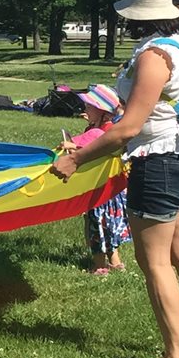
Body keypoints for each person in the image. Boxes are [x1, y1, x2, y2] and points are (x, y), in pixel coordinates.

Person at [51, 0, 179, 358]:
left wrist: (76, 159)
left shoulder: (154, 55)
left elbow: (129, 128)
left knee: (155, 261)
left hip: (161, 164)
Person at [58, 84, 129, 275]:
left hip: (100, 190)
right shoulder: (104, 128)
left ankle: (99, 266)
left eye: (90, 107)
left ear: (102, 111)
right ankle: (115, 262)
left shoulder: (100, 133)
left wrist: (71, 146)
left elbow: (91, 146)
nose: (85, 109)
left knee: (97, 226)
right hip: (111, 189)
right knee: (109, 226)